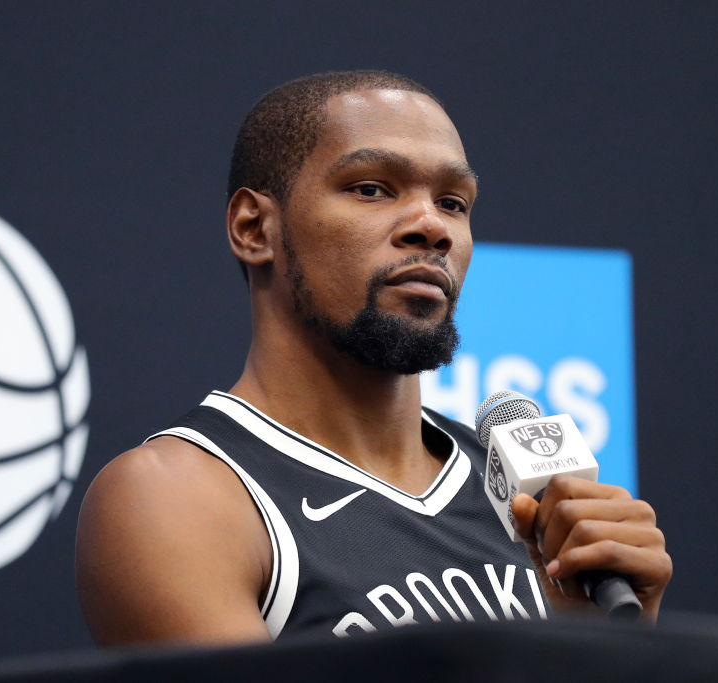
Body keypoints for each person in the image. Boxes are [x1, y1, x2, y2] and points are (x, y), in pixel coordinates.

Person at [75, 71, 671, 645]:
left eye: (454, 202)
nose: (431, 227)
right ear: (255, 228)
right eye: (372, 188)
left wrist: (597, 643)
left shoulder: (522, 500)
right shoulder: (178, 495)